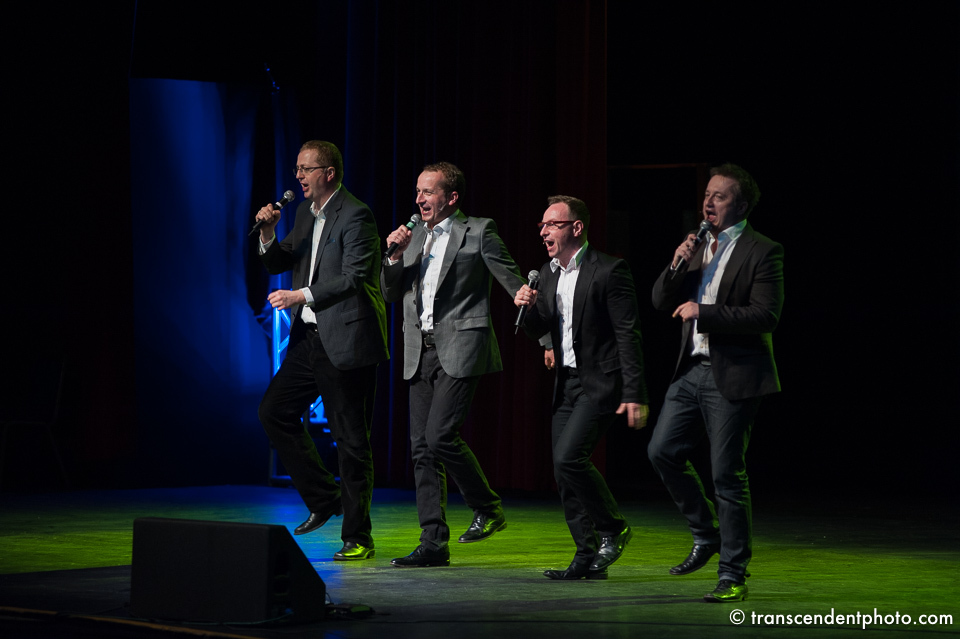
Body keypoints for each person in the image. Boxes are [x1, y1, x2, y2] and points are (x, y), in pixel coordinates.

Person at [647, 163, 783, 602]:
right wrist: (677, 263)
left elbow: (765, 315)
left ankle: (733, 573)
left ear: (740, 206)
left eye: (719, 196)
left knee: (726, 473)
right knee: (662, 451)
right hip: (691, 370)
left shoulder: (763, 250)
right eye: (707, 194)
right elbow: (659, 300)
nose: (708, 202)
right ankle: (706, 534)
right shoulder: (698, 245)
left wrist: (703, 312)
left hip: (735, 374)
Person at [381, 162, 525, 567]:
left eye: (428, 192)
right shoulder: (412, 237)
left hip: (462, 346)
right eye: (417, 191)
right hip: (419, 349)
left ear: (451, 197)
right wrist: (393, 257)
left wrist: (540, 328)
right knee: (421, 449)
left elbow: (513, 282)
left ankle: (488, 507)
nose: (419, 199)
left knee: (440, 435)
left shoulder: (478, 231)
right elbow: (390, 293)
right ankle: (433, 542)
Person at [254, 140, 387, 562]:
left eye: (305, 169)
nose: (298, 176)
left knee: (351, 440)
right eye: (296, 169)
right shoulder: (304, 214)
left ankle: (358, 536)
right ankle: (325, 498)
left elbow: (354, 277)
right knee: (274, 411)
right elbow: (279, 261)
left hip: (346, 340)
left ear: (329, 173)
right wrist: (268, 231)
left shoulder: (357, 215)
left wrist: (301, 296)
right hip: (309, 340)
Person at [513, 195, 649, 580]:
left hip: (600, 382)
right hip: (566, 383)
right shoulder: (548, 273)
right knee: (563, 470)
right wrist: (528, 307)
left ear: (576, 227)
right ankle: (586, 555)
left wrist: (634, 392)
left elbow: (628, 334)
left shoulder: (609, 270)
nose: (543, 232)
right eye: (542, 225)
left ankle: (613, 528)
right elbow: (540, 328)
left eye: (552, 225)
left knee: (570, 458)